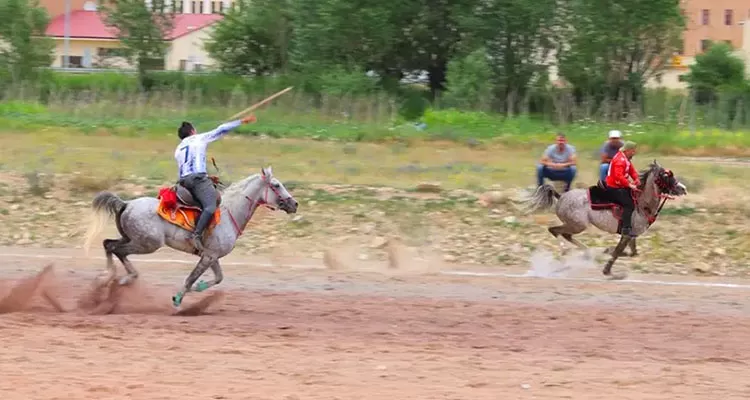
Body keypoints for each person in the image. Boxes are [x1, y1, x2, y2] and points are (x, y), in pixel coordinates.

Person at [175, 115, 257, 253]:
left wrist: (207, 177)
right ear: (193, 131)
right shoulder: (199, 138)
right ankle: (196, 236)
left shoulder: (178, 149)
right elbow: (222, 129)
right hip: (197, 179)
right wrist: (241, 121)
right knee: (210, 206)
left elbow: (186, 168)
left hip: (183, 181)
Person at [604, 141, 640, 237]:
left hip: (620, 185)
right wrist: (630, 184)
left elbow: (632, 171)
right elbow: (618, 176)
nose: (634, 153)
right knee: (629, 204)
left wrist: (637, 179)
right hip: (613, 187)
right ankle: (626, 229)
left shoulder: (626, 159)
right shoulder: (620, 160)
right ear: (627, 151)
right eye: (633, 151)